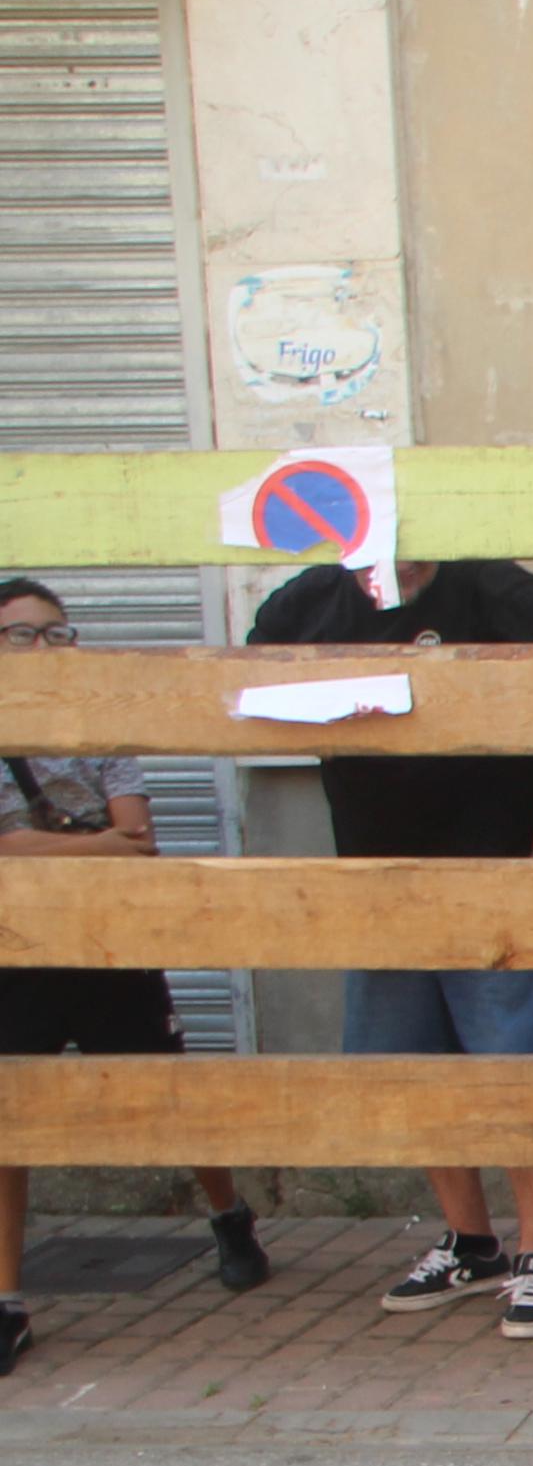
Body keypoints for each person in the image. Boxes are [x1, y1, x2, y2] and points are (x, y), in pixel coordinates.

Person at [246, 557, 533, 1340]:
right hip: (379, 886)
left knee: (523, 1071)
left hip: (496, 884)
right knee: (412, 1070)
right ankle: (470, 1243)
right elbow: (245, 695)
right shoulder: (311, 601)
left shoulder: (497, 592)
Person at [0, 578, 268, 1374]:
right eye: (21, 635)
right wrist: (97, 847)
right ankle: (8, 1298)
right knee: (11, 1118)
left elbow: (138, 834)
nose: (45, 648)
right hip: (17, 947)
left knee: (166, 1091)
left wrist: (60, 847)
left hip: (110, 939)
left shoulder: (103, 723)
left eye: (57, 633)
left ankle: (228, 1214)